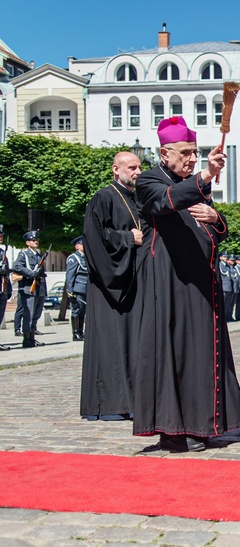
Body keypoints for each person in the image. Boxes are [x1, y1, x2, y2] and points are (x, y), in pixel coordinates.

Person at [134, 115, 240, 452]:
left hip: (201, 282)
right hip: (169, 282)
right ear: (164, 152)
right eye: (184, 152)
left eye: (195, 152)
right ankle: (171, 429)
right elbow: (165, 201)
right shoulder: (150, 180)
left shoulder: (197, 184)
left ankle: (203, 425)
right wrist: (206, 175)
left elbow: (209, 223)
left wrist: (217, 218)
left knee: (203, 354)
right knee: (173, 353)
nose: (191, 158)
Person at [80, 151, 144, 421]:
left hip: (133, 279)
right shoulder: (104, 197)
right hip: (110, 286)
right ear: (116, 170)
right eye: (132, 167)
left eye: (140, 167)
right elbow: (95, 237)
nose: (137, 172)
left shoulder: (137, 199)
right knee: (111, 343)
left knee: (133, 343)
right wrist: (128, 238)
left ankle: (131, 401)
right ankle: (108, 404)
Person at [12, 230, 48, 348]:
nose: (36, 241)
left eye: (37, 240)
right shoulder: (24, 254)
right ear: (28, 242)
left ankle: (32, 337)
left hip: (39, 288)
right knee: (29, 315)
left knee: (36, 314)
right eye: (33, 240)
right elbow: (17, 266)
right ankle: (27, 340)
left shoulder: (38, 255)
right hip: (28, 288)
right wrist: (31, 273)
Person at [65, 236, 89, 341]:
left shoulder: (86, 257)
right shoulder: (74, 258)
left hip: (85, 288)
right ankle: (75, 334)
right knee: (76, 310)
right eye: (83, 244)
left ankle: (80, 331)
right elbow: (70, 275)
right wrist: (70, 290)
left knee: (82, 311)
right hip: (77, 288)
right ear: (77, 246)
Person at [0, 225, 12, 351]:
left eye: (2, 235)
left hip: (2, 289)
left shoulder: (2, 252)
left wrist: (7, 290)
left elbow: (6, 274)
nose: (1, 237)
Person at [219, 252, 235, 322]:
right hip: (224, 286)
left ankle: (226, 317)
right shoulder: (220, 264)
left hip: (228, 286)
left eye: (226, 257)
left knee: (227, 304)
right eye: (224, 257)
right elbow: (223, 273)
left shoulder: (227, 266)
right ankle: (222, 318)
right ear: (220, 257)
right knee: (223, 303)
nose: (226, 258)